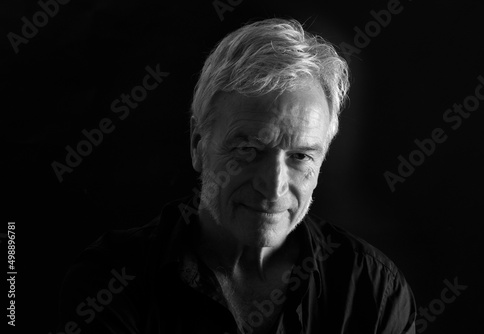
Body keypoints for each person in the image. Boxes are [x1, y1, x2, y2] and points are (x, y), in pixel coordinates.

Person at [56, 18, 416, 334]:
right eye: (248, 150)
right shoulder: (111, 282)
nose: (273, 186)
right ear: (198, 145)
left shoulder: (373, 290)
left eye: (300, 156)